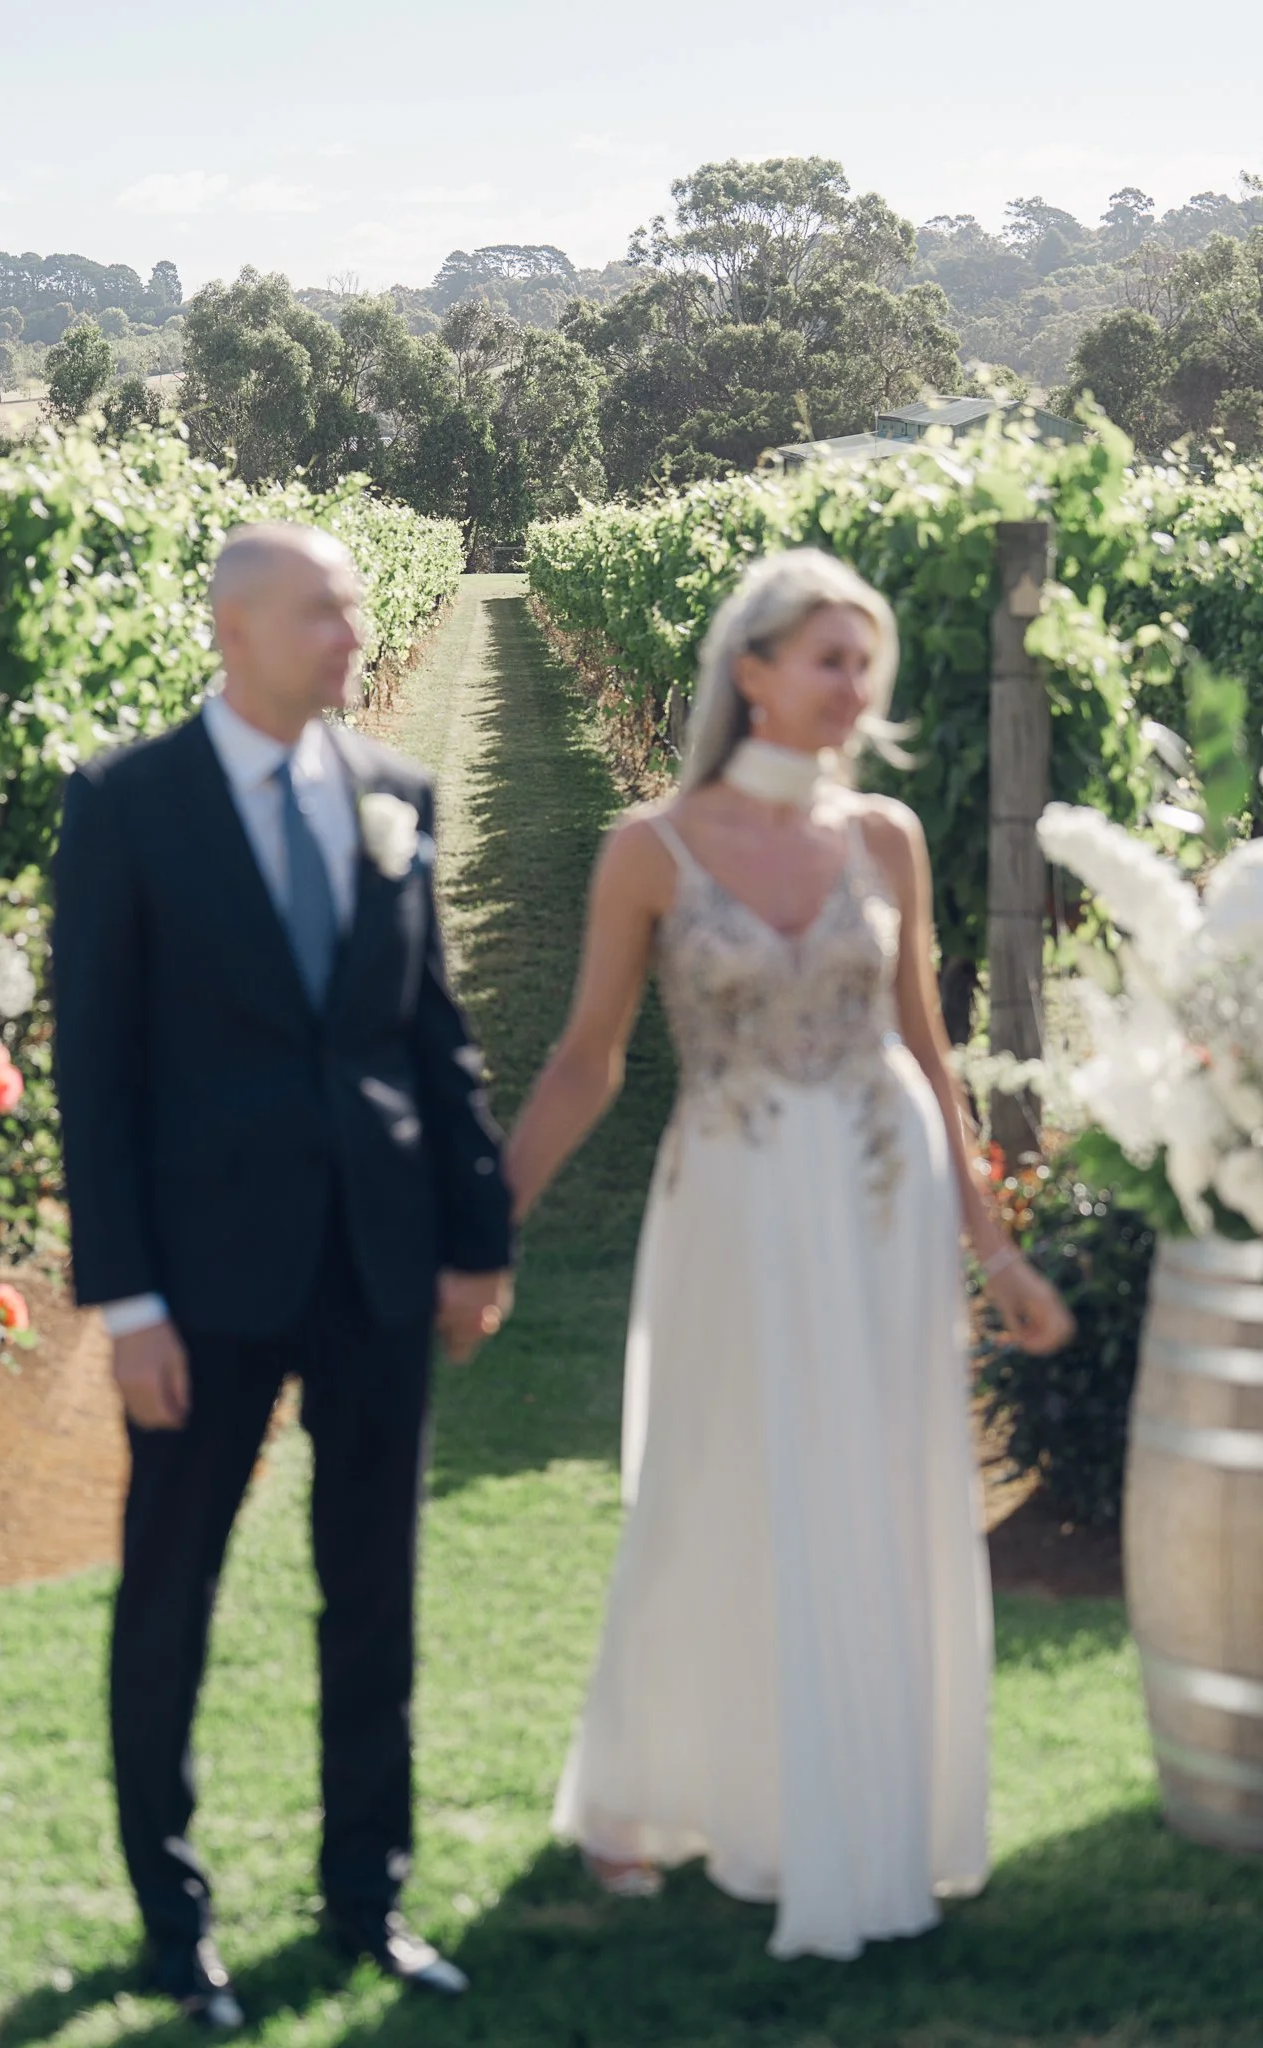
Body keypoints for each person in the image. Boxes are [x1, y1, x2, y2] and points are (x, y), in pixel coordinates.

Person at [504, 548, 1073, 1962]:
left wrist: (994, 1253)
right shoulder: (652, 848)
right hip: (736, 1205)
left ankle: (872, 1799)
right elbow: (587, 1061)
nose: (854, 686)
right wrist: (484, 1220)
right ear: (750, 669)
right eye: (830, 656)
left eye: (863, 662)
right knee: (720, 1475)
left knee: (875, 1482)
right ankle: (679, 1785)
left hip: (879, 1202)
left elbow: (930, 1058)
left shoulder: (886, 838)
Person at [52, 522, 513, 2031]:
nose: (351, 631)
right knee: (171, 1591)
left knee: (371, 1588)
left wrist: (475, 1237)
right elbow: (97, 1075)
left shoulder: (395, 793)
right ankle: (172, 1923)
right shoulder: (127, 804)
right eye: (326, 609)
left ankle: (366, 1898)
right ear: (234, 626)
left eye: (357, 609)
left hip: (379, 1261)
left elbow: (429, 1037)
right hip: (202, 1282)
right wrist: (126, 1304)